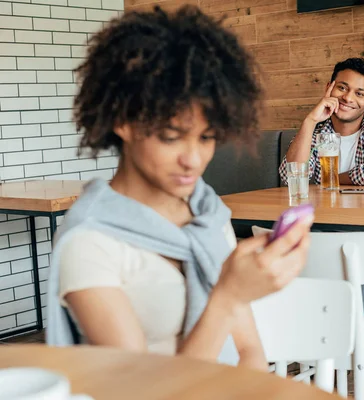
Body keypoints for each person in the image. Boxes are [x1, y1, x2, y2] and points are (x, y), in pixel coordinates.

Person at [46, 6, 312, 370]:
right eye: (172, 137)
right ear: (123, 122)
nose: (193, 159)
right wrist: (227, 298)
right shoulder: (89, 242)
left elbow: (249, 351)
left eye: (207, 138)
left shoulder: (207, 212)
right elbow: (145, 392)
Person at [279, 58, 364, 318]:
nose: (348, 98)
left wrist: (325, 181)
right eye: (342, 88)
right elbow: (291, 178)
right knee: (282, 265)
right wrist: (310, 120)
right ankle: (316, 348)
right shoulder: (316, 129)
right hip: (324, 228)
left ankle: (362, 357)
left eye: (359, 93)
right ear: (329, 88)